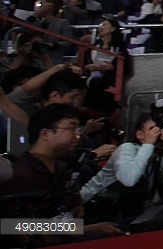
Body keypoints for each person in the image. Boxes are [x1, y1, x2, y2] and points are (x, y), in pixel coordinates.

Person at [0, 103, 124, 240]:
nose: (78, 136)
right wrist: (86, 230)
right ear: (45, 134)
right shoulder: (20, 175)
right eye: (71, 129)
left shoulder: (63, 169)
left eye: (78, 129)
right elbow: (11, 226)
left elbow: (73, 211)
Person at [80, 111, 163, 222]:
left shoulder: (159, 156)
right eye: (153, 129)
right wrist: (148, 145)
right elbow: (129, 180)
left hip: (127, 214)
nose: (158, 133)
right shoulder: (127, 148)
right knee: (71, 231)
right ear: (139, 135)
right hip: (90, 211)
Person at [82, 16, 133, 117]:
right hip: (91, 89)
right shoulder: (92, 47)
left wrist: (112, 68)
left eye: (104, 24)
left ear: (113, 28)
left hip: (109, 90)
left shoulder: (120, 48)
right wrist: (90, 67)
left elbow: (127, 69)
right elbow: (83, 66)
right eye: (100, 25)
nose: (100, 27)